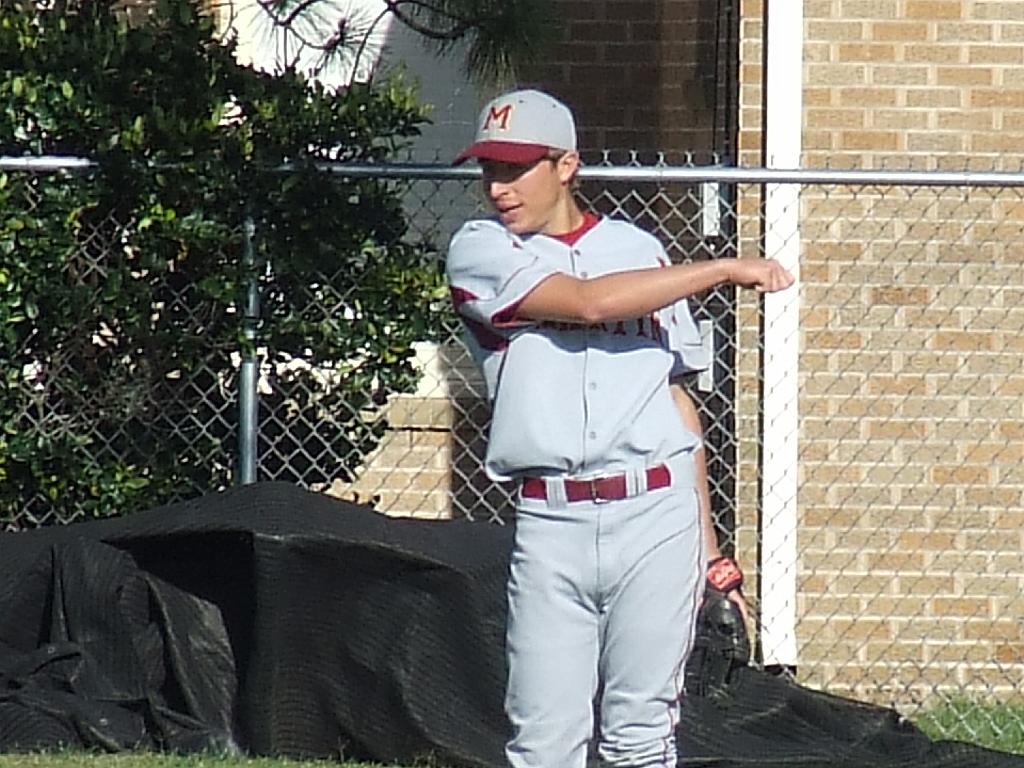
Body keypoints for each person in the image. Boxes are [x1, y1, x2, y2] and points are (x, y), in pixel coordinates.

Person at [446, 89, 793, 768]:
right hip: (552, 518)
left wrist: (712, 557)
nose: (499, 186)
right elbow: (591, 302)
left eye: (516, 168)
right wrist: (723, 268)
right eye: (488, 168)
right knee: (543, 741)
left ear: (566, 164)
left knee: (641, 735)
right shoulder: (480, 247)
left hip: (656, 513)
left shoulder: (638, 249)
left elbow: (676, 400)